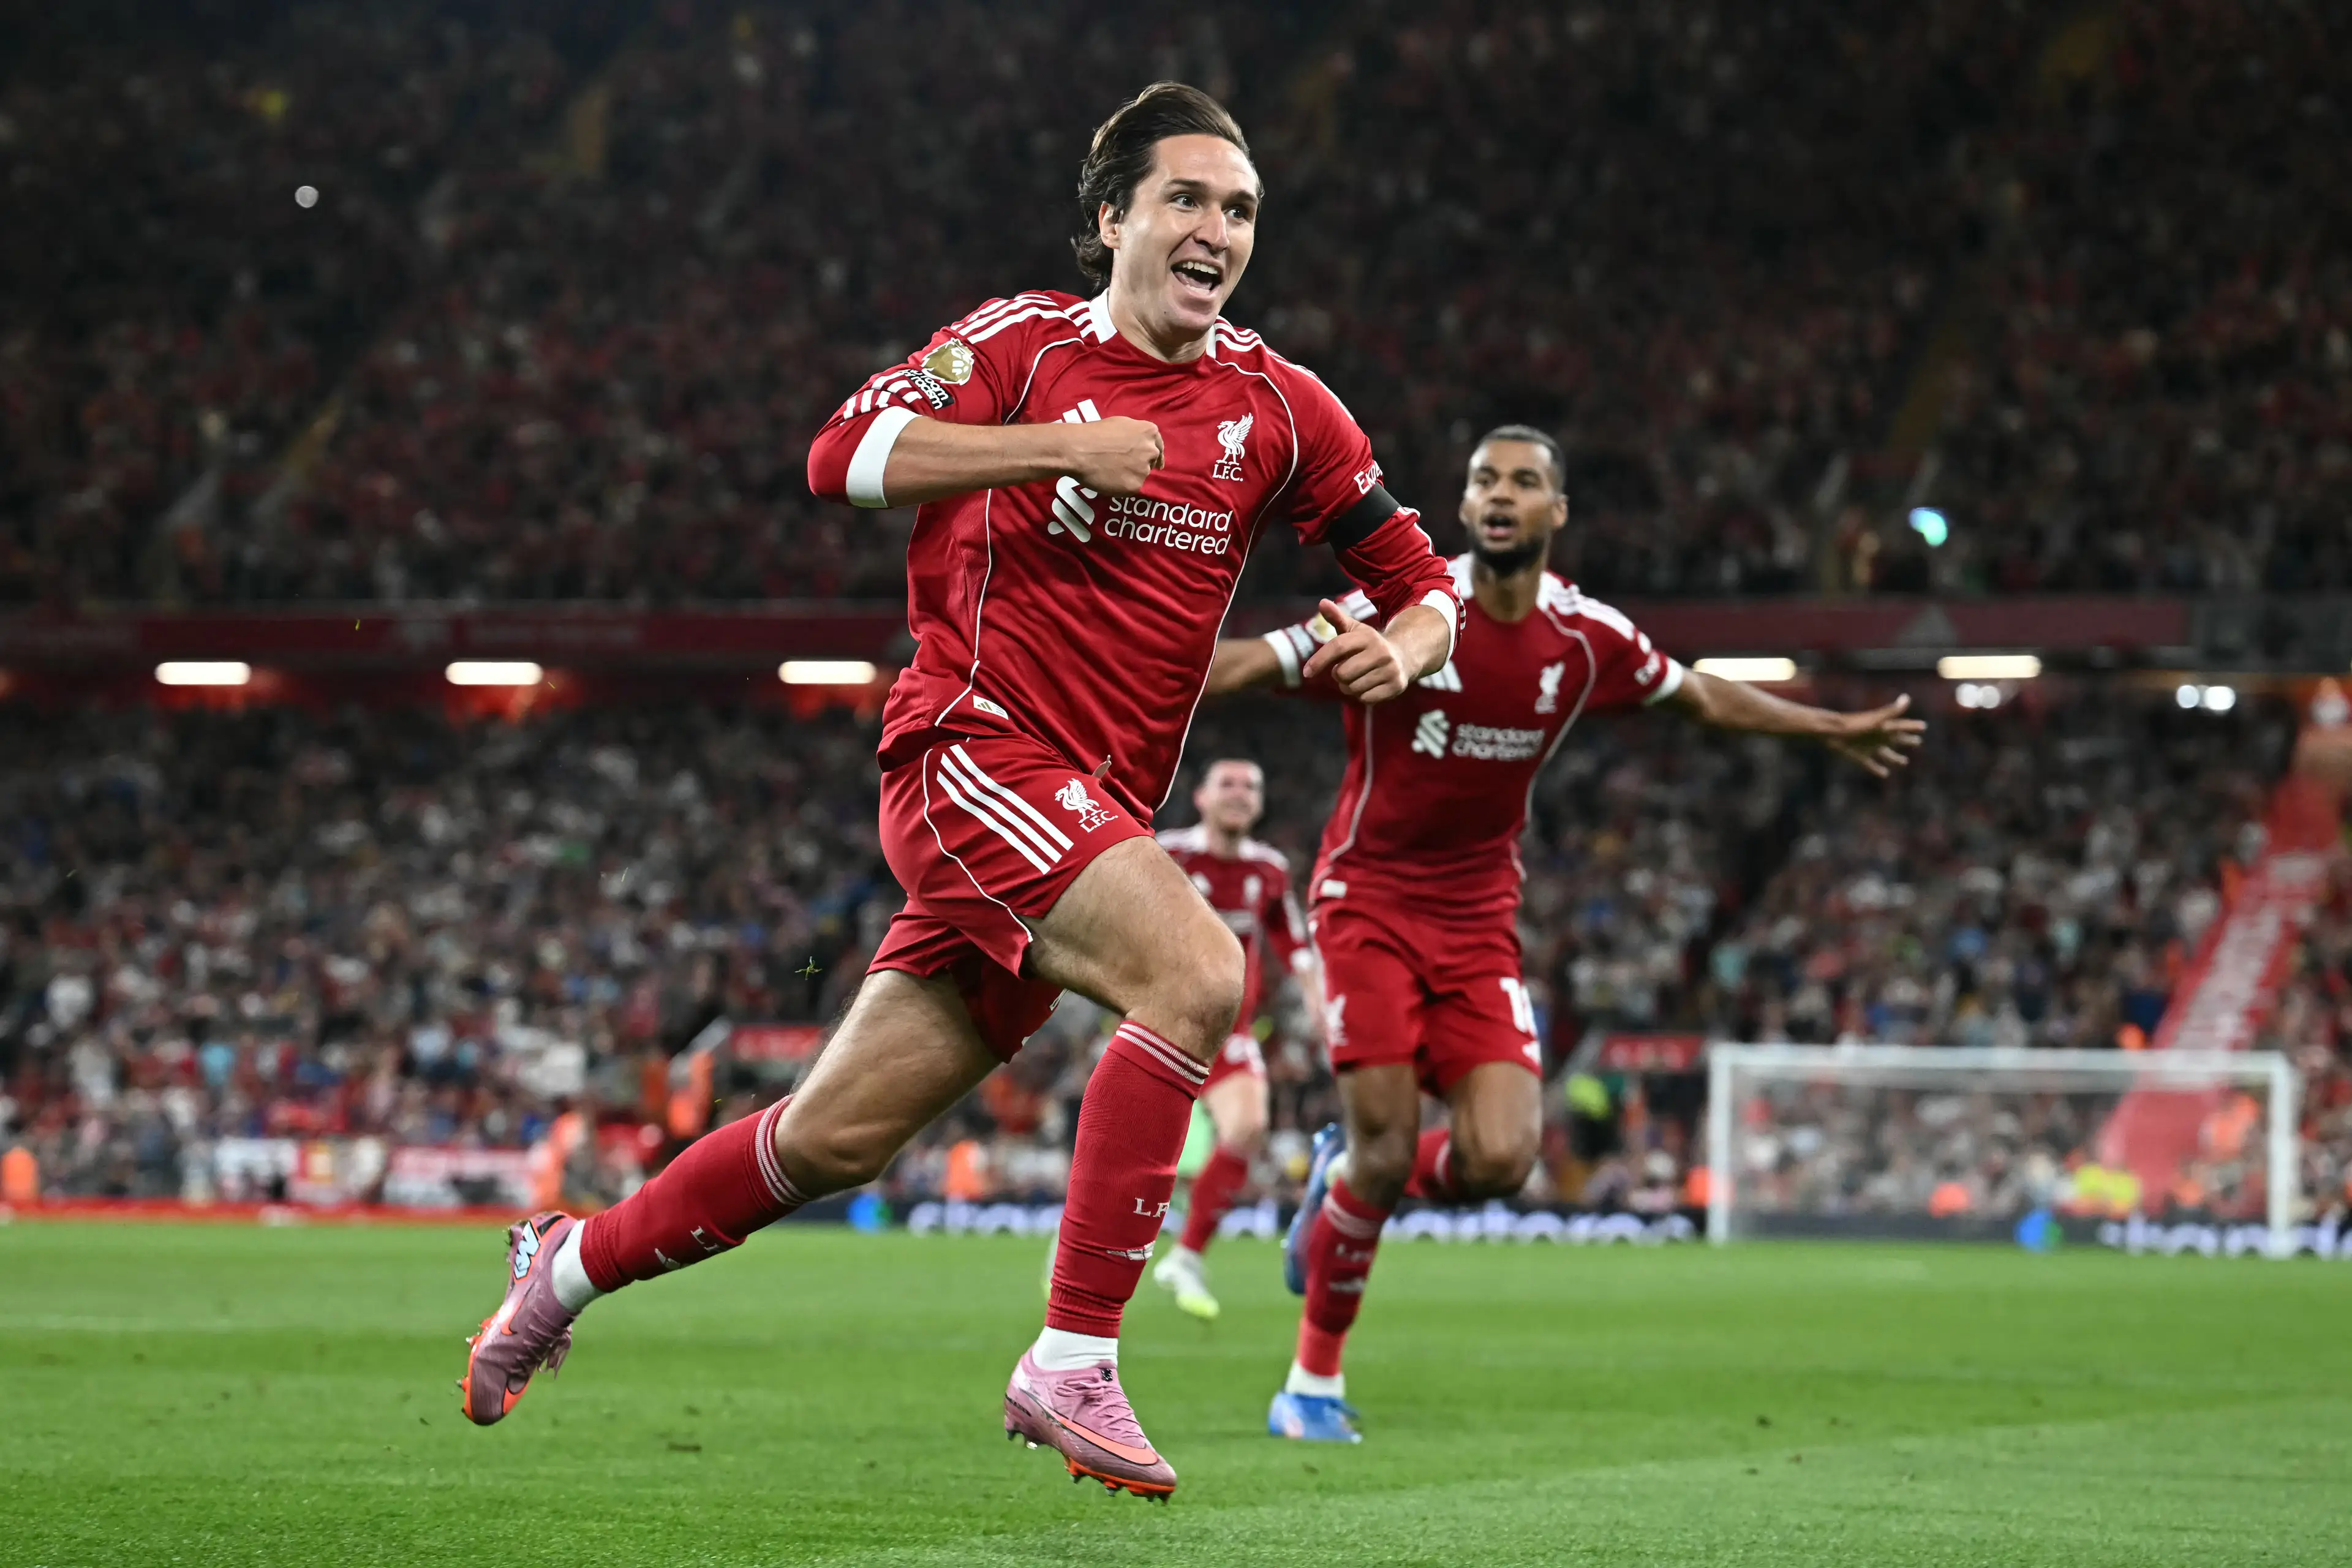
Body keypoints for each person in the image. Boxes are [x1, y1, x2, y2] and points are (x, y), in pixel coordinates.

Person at [456, 82, 1463, 1501]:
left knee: (828, 1137)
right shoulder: (1020, 347)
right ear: (1112, 215)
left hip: (1078, 820)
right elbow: (842, 456)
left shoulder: (1278, 406)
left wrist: (1393, 648)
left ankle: (558, 1265)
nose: (1215, 229)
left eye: (1238, 208)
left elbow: (1425, 588)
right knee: (1194, 974)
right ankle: (1071, 1353)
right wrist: (1052, 446)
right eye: (1185, 198)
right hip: (972, 755)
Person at [1203, 424, 1924, 1444]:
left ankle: (1345, 1180)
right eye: (1484, 480)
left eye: (1525, 482)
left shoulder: (1585, 638)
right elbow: (1254, 664)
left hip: (1479, 922)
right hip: (1365, 902)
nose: (1502, 495)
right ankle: (1310, 1382)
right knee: (1388, 1139)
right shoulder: (1399, 611)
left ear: (1557, 512)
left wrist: (1830, 727)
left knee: (1501, 1159)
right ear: (1462, 507)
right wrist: (1127, 678)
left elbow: (1700, 695)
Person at [1147, 758, 1317, 1320]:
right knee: (1136, 1150)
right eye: (1229, 784)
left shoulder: (1268, 870)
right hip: (1162, 1020)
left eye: (1252, 786)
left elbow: (1295, 945)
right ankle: (1073, 1245)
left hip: (1229, 1031)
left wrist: (1318, 1001)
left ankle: (1188, 1255)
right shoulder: (1167, 854)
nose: (1240, 794)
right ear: (1201, 797)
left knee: (1249, 1126)